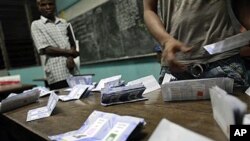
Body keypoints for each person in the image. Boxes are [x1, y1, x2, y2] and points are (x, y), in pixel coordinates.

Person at [143, 0, 249, 87]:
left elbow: (242, 6)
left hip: (222, 61)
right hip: (175, 66)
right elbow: (149, 10)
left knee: (232, 112)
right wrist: (166, 40)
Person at [31, 0, 79, 90]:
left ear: (54, 5)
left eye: (50, 4)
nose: (48, 7)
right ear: (39, 6)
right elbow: (46, 49)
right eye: (44, 4)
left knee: (79, 97)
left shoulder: (64, 22)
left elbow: (72, 43)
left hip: (72, 69)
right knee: (63, 101)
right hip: (56, 73)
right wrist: (70, 52)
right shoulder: (36, 25)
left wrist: (70, 57)